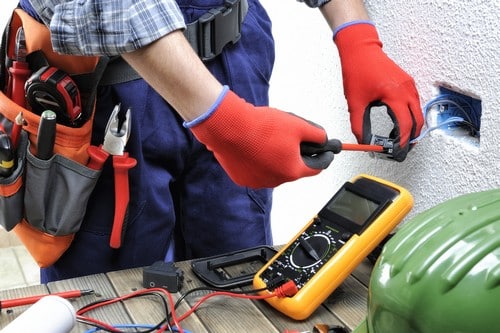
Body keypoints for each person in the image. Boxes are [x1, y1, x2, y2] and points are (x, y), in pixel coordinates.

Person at [17, 0, 423, 283]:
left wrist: (356, 35)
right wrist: (228, 125)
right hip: (104, 81)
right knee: (107, 294)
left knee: (236, 275)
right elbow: (117, 10)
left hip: (234, 56)